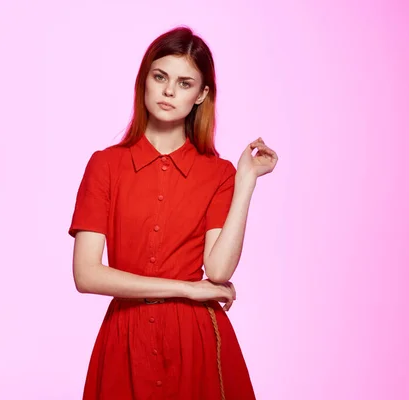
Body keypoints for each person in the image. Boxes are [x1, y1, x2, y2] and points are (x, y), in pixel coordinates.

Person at [68, 26, 278, 400]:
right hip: (125, 339)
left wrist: (245, 180)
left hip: (195, 341)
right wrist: (186, 289)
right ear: (144, 80)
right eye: (160, 77)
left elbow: (218, 271)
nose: (169, 92)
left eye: (185, 83)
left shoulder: (219, 173)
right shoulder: (105, 166)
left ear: (202, 95)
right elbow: (86, 275)